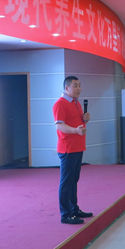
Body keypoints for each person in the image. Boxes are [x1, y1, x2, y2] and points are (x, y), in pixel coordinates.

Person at [53, 76, 92, 225]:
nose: (78, 88)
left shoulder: (76, 103)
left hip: (78, 146)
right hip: (68, 148)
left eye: (79, 85)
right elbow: (59, 125)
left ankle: (74, 209)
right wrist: (76, 131)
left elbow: (76, 122)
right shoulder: (60, 104)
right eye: (75, 86)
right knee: (66, 182)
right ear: (66, 88)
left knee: (74, 180)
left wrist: (85, 119)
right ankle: (66, 214)